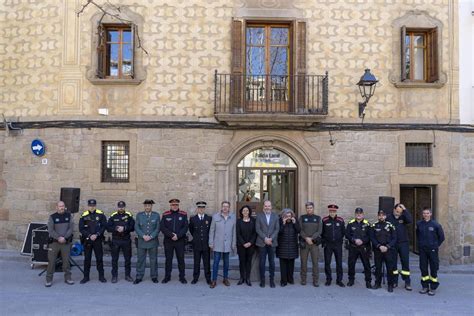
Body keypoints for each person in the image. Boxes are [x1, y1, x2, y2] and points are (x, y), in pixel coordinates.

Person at [45, 201, 74, 287]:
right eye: (60, 206)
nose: (61, 207)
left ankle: (68, 278)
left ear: (64, 207)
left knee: (66, 262)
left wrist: (64, 237)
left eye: (63, 206)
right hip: (54, 243)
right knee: (51, 262)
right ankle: (48, 280)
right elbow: (50, 230)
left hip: (65, 242)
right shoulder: (52, 217)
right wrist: (58, 238)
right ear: (56, 207)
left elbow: (71, 228)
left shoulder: (69, 216)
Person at [417, 207, 445, 296]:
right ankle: (425, 286)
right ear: (422, 214)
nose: (425, 215)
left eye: (427, 213)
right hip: (423, 250)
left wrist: (435, 246)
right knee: (423, 268)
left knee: (433, 268)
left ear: (430, 214)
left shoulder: (436, 225)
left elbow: (441, 237)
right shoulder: (419, 224)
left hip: (432, 250)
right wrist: (421, 244)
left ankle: (433, 287)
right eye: (424, 213)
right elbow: (418, 234)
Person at [208, 201, 236, 288]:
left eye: (227, 206)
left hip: (227, 244)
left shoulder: (233, 217)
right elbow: (212, 230)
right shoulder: (215, 217)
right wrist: (211, 242)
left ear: (229, 208)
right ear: (221, 207)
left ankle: (225, 279)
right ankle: (214, 280)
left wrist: (233, 243)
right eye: (223, 206)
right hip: (217, 244)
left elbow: (234, 232)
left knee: (226, 263)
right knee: (216, 263)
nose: (225, 208)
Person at [79, 199, 107, 284]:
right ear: (88, 206)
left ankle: (101, 277)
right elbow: (81, 228)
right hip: (88, 240)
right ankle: (86, 277)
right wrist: (89, 235)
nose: (92, 207)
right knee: (87, 259)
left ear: (95, 205)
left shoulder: (101, 214)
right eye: (90, 205)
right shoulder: (84, 215)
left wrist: (97, 234)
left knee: (99, 258)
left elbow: (104, 226)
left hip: (97, 239)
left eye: (93, 205)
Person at [160, 198, 188, 284]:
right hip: (169, 241)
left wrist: (178, 236)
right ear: (170, 205)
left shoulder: (183, 214)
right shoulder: (165, 214)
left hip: (180, 241)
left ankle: (182, 277)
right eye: (173, 204)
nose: (175, 206)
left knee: (181, 259)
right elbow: (162, 227)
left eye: (176, 204)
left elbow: (185, 227)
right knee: (168, 260)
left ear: (178, 205)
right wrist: (172, 235)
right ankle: (167, 277)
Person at [107, 201, 135, 283]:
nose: (121, 208)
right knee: (114, 259)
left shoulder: (129, 215)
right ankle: (114, 276)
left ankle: (127, 275)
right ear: (117, 207)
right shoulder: (113, 216)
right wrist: (116, 228)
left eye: (122, 207)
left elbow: (133, 227)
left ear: (125, 207)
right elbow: (108, 228)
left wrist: (124, 228)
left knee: (128, 259)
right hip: (116, 240)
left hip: (126, 240)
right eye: (119, 207)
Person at [386, 203, 413, 290]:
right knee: (393, 263)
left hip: (403, 243)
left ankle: (407, 282)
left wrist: (405, 210)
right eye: (397, 211)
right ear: (393, 210)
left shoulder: (404, 217)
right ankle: (394, 281)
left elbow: (410, 220)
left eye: (400, 212)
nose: (398, 213)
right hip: (393, 243)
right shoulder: (389, 217)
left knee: (405, 262)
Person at [370, 209, 397, 293]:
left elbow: (394, 238)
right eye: (379, 215)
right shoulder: (374, 226)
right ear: (378, 216)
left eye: (383, 215)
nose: (381, 217)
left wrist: (387, 246)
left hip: (388, 250)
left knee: (390, 268)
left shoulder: (390, 225)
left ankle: (390, 285)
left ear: (385, 216)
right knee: (378, 268)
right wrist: (379, 246)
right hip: (378, 249)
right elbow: (372, 238)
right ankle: (377, 283)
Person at [134, 199, 160, 284]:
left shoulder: (156, 215)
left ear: (151, 206)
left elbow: (157, 228)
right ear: (144, 206)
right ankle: (139, 276)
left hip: (152, 241)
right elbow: (137, 227)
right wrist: (143, 236)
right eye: (146, 205)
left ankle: (154, 276)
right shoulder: (139, 215)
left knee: (153, 260)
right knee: (140, 260)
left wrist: (151, 236)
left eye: (149, 205)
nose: (147, 207)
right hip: (142, 241)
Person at [345, 207, 372, 288]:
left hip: (364, 247)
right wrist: (354, 240)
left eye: (360, 213)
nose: (358, 215)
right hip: (353, 247)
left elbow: (370, 236)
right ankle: (351, 280)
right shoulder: (351, 223)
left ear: (363, 214)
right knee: (351, 264)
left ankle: (368, 281)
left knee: (366, 265)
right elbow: (347, 234)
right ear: (355, 214)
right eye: (357, 213)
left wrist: (362, 241)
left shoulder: (367, 224)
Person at [255, 200, 280, 288]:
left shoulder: (276, 216)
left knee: (272, 263)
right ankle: (262, 280)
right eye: (266, 206)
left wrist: (271, 238)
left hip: (272, 243)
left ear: (271, 207)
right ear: (263, 207)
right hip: (262, 242)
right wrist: (265, 238)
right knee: (262, 262)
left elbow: (277, 229)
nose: (267, 207)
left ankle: (271, 280)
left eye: (269, 206)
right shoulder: (259, 216)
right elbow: (258, 229)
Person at [299, 201, 322, 287]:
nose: (309, 209)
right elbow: (300, 230)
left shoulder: (318, 218)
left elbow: (319, 230)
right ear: (306, 209)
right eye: (308, 208)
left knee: (315, 263)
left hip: (314, 243)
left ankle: (315, 280)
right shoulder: (302, 218)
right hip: (304, 243)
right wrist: (306, 238)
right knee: (303, 262)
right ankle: (303, 279)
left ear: (313, 208)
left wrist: (312, 238)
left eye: (310, 208)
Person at [321, 204, 345, 287]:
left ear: (336, 211)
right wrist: (324, 241)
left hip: (338, 245)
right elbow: (322, 232)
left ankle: (339, 280)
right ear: (329, 211)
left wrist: (340, 240)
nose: (332, 213)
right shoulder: (324, 220)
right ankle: (328, 279)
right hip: (328, 245)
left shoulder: (340, 220)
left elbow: (343, 232)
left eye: (334, 211)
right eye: (331, 211)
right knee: (327, 263)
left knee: (339, 263)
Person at [189, 201, 212, 285]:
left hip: (206, 244)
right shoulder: (193, 219)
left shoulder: (209, 218)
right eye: (199, 208)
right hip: (197, 244)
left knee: (207, 262)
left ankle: (208, 278)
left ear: (204, 208)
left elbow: (210, 231)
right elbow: (192, 230)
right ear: (197, 208)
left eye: (202, 208)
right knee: (196, 262)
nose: (201, 209)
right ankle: (195, 278)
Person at [276, 208, 300, 287]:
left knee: (291, 265)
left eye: (290, 215)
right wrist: (283, 224)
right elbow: (278, 232)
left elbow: (298, 230)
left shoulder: (295, 221)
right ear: (283, 216)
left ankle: (290, 279)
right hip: (282, 247)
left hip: (292, 247)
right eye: (286, 216)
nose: (288, 217)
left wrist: (295, 223)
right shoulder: (280, 221)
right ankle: (283, 281)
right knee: (283, 265)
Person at [236, 205, 256, 286]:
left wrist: (250, 243)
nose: (245, 212)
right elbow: (238, 233)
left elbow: (255, 233)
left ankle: (248, 278)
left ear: (249, 212)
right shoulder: (239, 221)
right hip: (241, 245)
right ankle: (242, 278)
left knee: (248, 262)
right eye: (243, 210)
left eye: (247, 210)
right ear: (241, 212)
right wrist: (243, 243)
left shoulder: (253, 221)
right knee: (242, 262)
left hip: (251, 245)